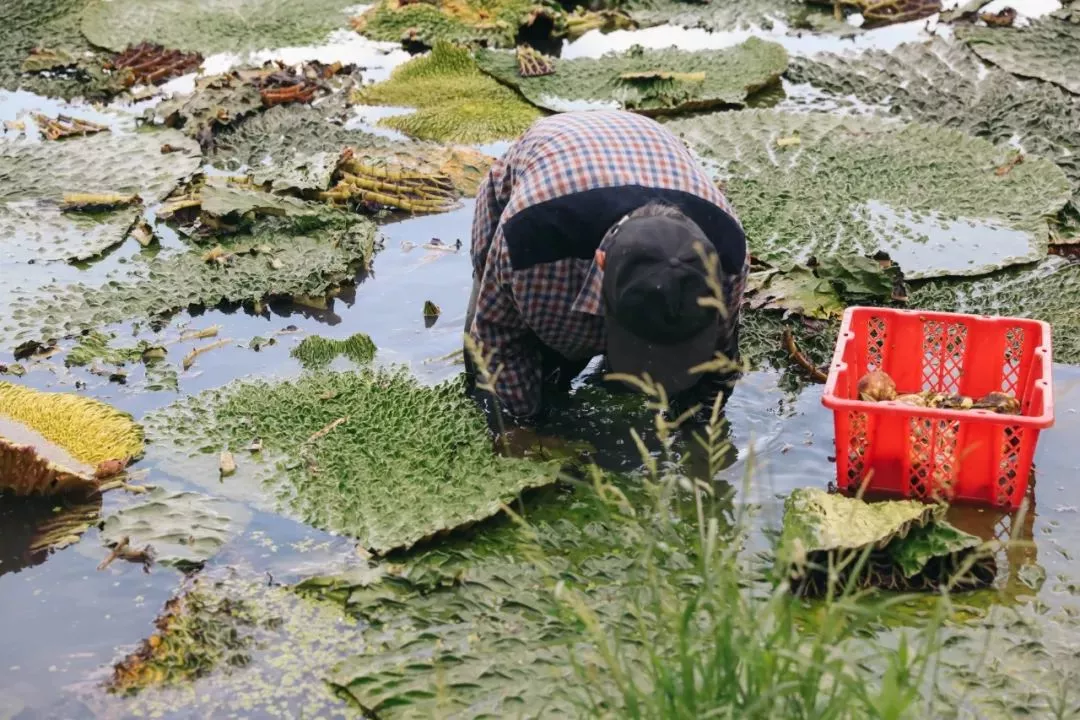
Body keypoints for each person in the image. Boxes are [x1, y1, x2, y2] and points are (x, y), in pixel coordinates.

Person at [462, 110, 748, 447]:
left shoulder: (728, 255)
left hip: (654, 150)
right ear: (600, 264)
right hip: (545, 164)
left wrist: (700, 436)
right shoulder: (529, 244)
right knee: (497, 381)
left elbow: (720, 362)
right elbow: (500, 340)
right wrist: (526, 431)